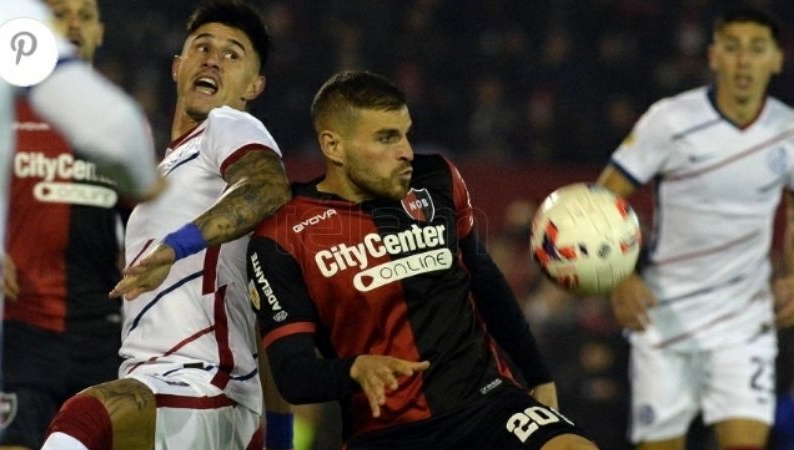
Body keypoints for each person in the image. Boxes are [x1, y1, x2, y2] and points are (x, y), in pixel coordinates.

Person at [247, 70, 599, 450]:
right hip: (385, 432)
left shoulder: (437, 179)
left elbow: (486, 281)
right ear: (334, 146)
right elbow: (293, 374)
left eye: (406, 134)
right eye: (386, 138)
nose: (406, 152)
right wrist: (353, 369)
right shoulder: (282, 237)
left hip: (485, 404)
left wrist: (538, 373)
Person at [40, 0, 293, 449]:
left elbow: (268, 185)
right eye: (202, 47)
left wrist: (177, 246)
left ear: (254, 86)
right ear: (178, 67)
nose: (212, 59)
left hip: (202, 384)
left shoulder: (230, 126)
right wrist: (278, 439)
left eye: (232, 54)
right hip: (165, 390)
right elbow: (266, 306)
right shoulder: (169, 171)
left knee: (85, 420)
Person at [596, 6, 794, 450]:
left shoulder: (789, 130)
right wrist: (621, 277)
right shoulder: (670, 120)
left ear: (777, 59)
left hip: (745, 322)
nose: (744, 61)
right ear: (713, 56)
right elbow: (602, 198)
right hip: (666, 319)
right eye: (733, 47)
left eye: (756, 49)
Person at [0, 0, 163, 444]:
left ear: (100, 32)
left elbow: (145, 218)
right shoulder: (7, 110)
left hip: (100, 333)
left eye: (85, 16)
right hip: (21, 327)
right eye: (60, 13)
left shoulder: (121, 124)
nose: (73, 24)